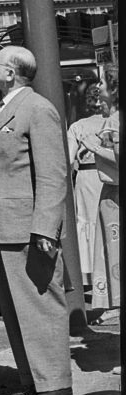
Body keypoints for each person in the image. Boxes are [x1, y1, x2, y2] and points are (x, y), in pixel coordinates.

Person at [0, 45, 72, 395]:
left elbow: (53, 175)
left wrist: (45, 228)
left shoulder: (37, 109)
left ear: (10, 73)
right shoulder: (4, 107)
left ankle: (54, 382)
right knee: (15, 308)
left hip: (25, 226)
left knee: (39, 303)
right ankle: (33, 379)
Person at [77, 67, 119, 318]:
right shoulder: (110, 121)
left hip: (113, 192)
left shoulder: (113, 122)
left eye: (102, 82)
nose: (98, 87)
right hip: (108, 192)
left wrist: (92, 146)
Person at [66, 84, 107, 286]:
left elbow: (68, 157)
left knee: (87, 221)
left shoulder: (78, 126)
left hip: (87, 176)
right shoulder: (114, 123)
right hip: (109, 174)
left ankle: (90, 272)